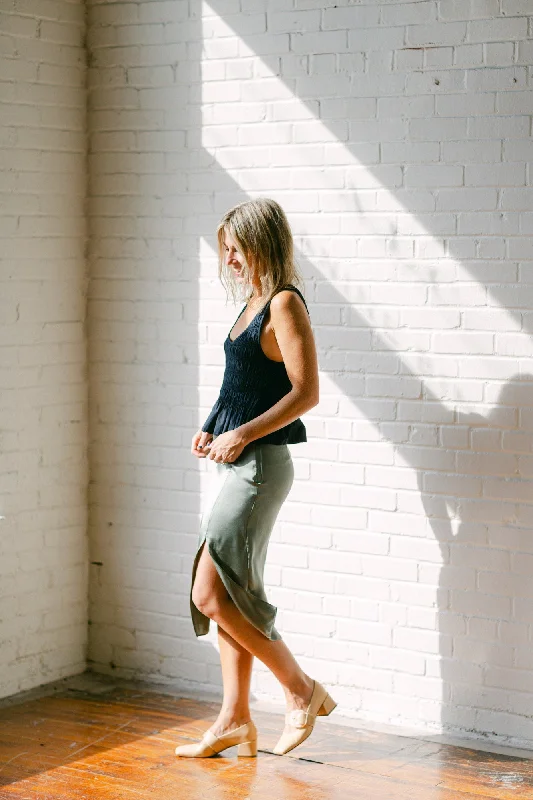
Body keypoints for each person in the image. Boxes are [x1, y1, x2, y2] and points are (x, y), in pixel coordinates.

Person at [175, 198, 337, 759]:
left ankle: (301, 690)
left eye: (235, 247)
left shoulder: (285, 303)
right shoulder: (250, 304)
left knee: (210, 592)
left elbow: (305, 392)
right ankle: (234, 720)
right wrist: (211, 427)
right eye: (225, 248)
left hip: (262, 468)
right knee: (230, 592)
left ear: (261, 243)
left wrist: (242, 435)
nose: (229, 257)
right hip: (242, 464)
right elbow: (240, 387)